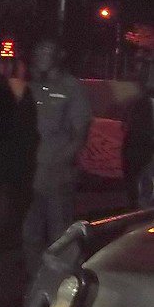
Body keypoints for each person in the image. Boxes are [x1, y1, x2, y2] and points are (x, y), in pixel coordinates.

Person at [22, 39, 92, 278]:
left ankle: (61, 286)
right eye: (38, 49)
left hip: (58, 178)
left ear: (60, 55)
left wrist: (58, 164)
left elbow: (79, 136)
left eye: (48, 50)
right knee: (30, 234)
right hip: (31, 176)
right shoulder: (31, 87)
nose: (41, 54)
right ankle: (35, 285)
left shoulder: (72, 88)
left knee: (60, 237)